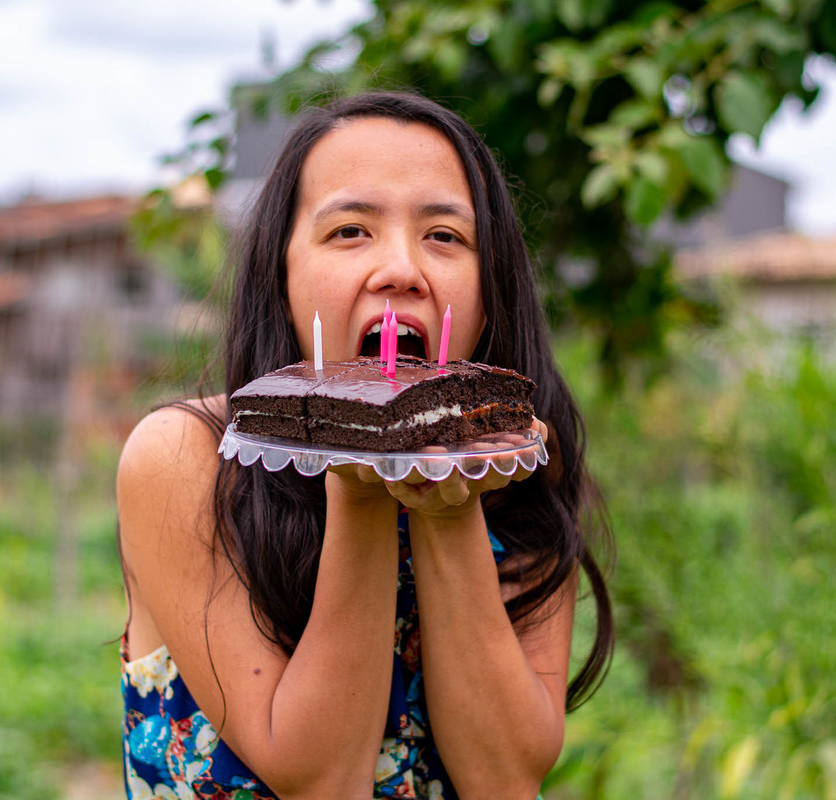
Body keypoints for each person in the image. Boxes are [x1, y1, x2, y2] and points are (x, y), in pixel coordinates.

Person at [116, 91, 614, 800]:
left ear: (490, 283)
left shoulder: (517, 458)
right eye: (351, 231)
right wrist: (355, 467)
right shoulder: (186, 458)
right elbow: (321, 780)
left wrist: (447, 512)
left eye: (445, 236)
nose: (402, 270)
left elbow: (505, 781)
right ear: (280, 271)